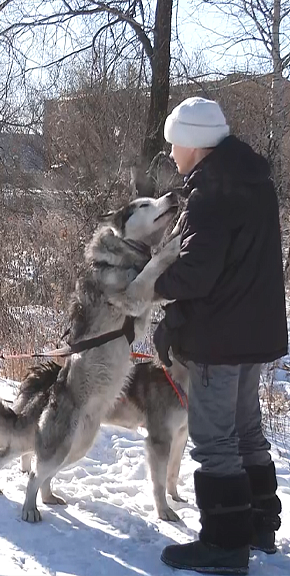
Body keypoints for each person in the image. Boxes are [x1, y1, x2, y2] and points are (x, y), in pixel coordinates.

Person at [154, 97, 286, 573]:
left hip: (220, 337)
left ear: (193, 142)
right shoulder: (256, 183)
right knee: (247, 429)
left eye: (174, 142)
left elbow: (196, 274)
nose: (171, 152)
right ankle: (259, 525)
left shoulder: (211, 192)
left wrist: (154, 286)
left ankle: (225, 544)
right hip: (255, 331)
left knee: (214, 440)